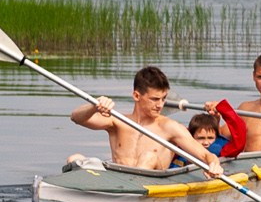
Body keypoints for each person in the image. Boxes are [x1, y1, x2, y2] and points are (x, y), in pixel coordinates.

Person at [71, 65, 215, 172]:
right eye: (155, 99)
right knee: (74, 158)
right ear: (136, 96)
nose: (160, 105)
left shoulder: (170, 127)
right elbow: (76, 118)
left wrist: (214, 165)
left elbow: (206, 156)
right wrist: (94, 106)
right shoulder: (118, 122)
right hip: (118, 182)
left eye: (163, 99)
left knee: (148, 156)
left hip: (152, 185)